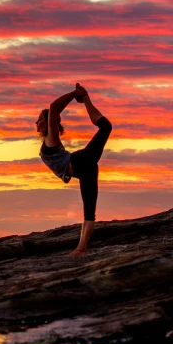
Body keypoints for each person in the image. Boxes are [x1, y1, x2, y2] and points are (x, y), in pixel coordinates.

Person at [36, 83, 112, 256]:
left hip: (81, 162)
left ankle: (85, 99)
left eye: (39, 119)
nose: (36, 122)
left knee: (106, 127)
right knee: (89, 212)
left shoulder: (51, 137)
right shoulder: (47, 140)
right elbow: (54, 111)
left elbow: (54, 107)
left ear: (48, 122)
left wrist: (74, 93)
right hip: (84, 170)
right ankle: (81, 249)